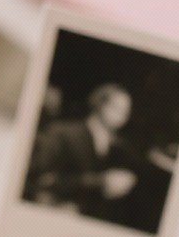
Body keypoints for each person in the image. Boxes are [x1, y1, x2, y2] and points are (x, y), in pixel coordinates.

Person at [25, 83, 139, 219]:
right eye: (116, 108)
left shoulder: (120, 149)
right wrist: (99, 182)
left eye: (126, 111)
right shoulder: (62, 133)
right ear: (99, 104)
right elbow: (38, 178)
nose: (122, 116)